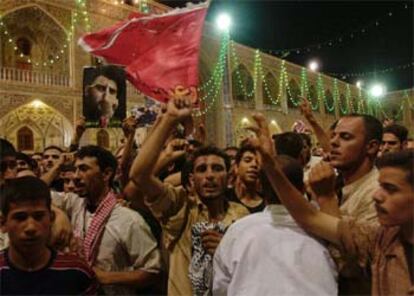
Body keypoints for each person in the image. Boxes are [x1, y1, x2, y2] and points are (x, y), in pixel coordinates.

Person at [248, 113, 414, 296]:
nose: (333, 142)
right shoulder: (381, 238)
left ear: (372, 146)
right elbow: (309, 218)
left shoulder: (373, 204)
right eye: (333, 135)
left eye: (345, 137)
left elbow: (350, 269)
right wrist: (270, 164)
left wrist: (326, 198)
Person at [129, 96, 249, 296]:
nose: (209, 175)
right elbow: (139, 175)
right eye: (202, 169)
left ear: (229, 179)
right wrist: (168, 120)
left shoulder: (242, 216)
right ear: (192, 180)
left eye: (217, 168)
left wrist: (226, 251)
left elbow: (251, 267)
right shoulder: (179, 207)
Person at [213, 156, 337, 295]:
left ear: (259, 186)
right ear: (302, 188)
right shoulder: (324, 231)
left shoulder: (238, 231)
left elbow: (220, 287)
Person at [52, 145, 162, 295]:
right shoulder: (74, 204)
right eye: (76, 169)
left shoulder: (129, 220)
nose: (76, 177)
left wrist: (107, 277)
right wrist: (60, 214)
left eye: (84, 169)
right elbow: (34, 194)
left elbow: (153, 272)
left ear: (106, 174)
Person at [0, 176, 98, 295]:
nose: (31, 227)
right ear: (3, 223)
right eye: (20, 218)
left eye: (39, 216)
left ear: (51, 219)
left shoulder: (77, 271)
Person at [227, 144, 265, 213]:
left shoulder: (266, 203)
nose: (254, 165)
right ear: (236, 167)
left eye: (257, 162)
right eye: (247, 160)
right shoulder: (224, 198)